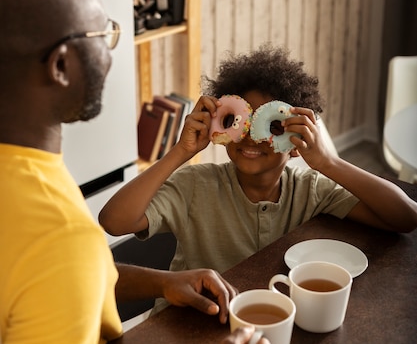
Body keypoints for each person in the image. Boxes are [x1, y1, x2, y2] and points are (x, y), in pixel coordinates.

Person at [0, 0, 280, 344]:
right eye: (102, 33)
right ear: (62, 65)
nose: (112, 47)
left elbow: (30, 283)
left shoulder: (21, 173)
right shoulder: (57, 236)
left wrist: (161, 282)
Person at [99, 44, 417, 295]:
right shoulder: (194, 185)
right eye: (239, 121)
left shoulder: (311, 189)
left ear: (295, 143)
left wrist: (327, 162)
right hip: (191, 323)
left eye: (271, 125)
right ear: (221, 130)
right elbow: (114, 221)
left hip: (268, 320)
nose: (252, 136)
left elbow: (405, 217)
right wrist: (180, 152)